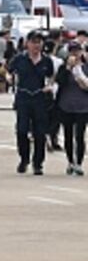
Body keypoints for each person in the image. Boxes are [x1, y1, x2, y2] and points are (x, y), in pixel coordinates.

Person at [9, 32, 55, 176]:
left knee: (40, 132)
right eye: (34, 42)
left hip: (39, 97)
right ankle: (24, 159)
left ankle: (38, 163)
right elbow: (7, 71)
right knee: (22, 130)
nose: (37, 45)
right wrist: (9, 77)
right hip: (23, 96)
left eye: (39, 42)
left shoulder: (47, 61)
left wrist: (50, 85)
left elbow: (52, 76)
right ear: (27, 44)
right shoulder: (19, 59)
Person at [56, 43, 88, 176]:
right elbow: (59, 81)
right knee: (68, 135)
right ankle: (70, 161)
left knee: (80, 136)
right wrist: (68, 68)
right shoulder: (63, 68)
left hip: (83, 107)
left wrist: (79, 75)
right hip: (66, 106)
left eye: (77, 51)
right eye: (72, 51)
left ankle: (79, 163)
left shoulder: (86, 68)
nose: (75, 54)